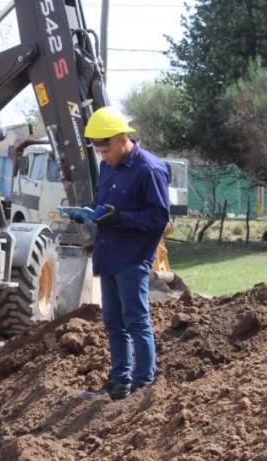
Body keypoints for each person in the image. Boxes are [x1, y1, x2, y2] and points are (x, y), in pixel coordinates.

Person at [85, 106, 170, 401]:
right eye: (99, 151)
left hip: (133, 257)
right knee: (113, 322)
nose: (103, 156)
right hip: (109, 255)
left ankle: (143, 386)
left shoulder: (150, 169)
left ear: (123, 138)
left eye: (107, 149)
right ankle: (120, 384)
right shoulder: (109, 166)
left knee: (136, 321)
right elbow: (104, 203)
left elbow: (159, 218)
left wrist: (120, 217)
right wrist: (90, 214)